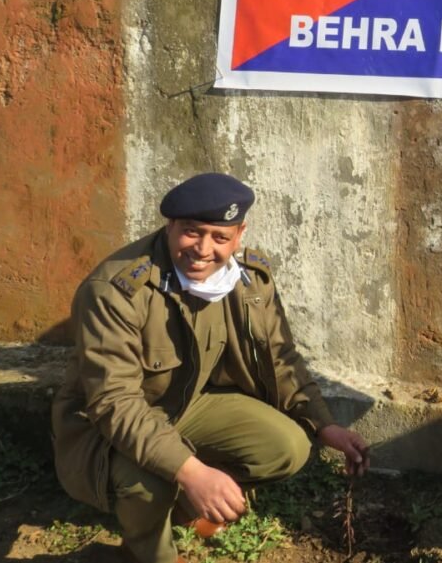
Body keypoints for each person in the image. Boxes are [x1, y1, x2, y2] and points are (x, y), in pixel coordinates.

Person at [52, 173, 369, 563]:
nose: (203, 249)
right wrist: (190, 470)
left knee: (288, 446)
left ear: (239, 234)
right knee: (150, 483)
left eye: (220, 237)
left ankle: (185, 508)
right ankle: (144, 553)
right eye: (191, 232)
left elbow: (281, 358)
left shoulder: (249, 280)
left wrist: (325, 423)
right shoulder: (113, 291)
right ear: (170, 225)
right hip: (105, 429)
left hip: (188, 407)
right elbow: (114, 403)